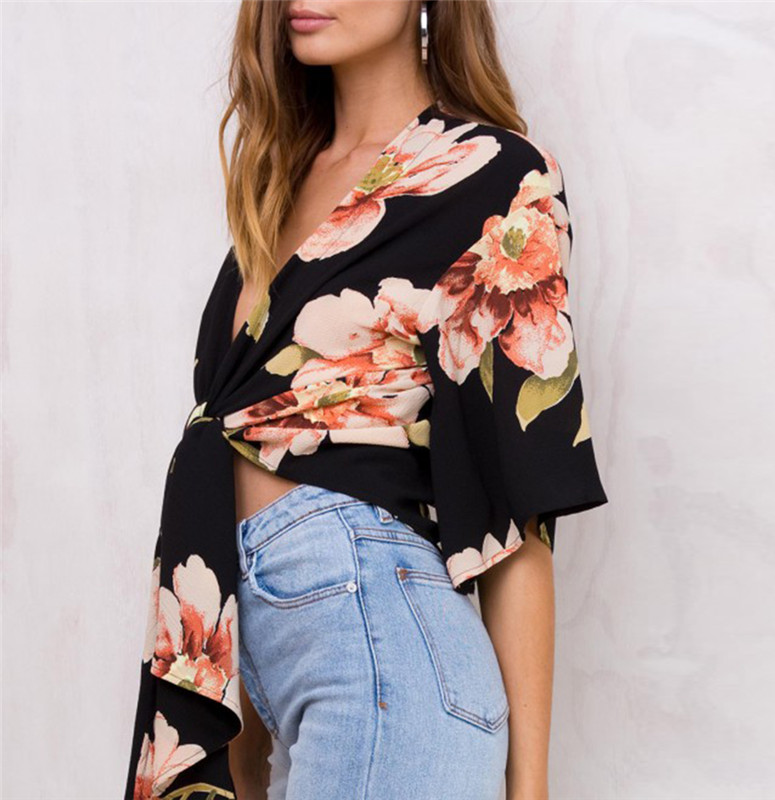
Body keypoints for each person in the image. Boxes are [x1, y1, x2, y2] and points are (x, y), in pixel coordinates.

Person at [124, 1, 609, 799]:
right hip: (306, 681)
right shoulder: (279, 180)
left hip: (390, 665)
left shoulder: (492, 174)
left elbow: (516, 508)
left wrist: (531, 791)